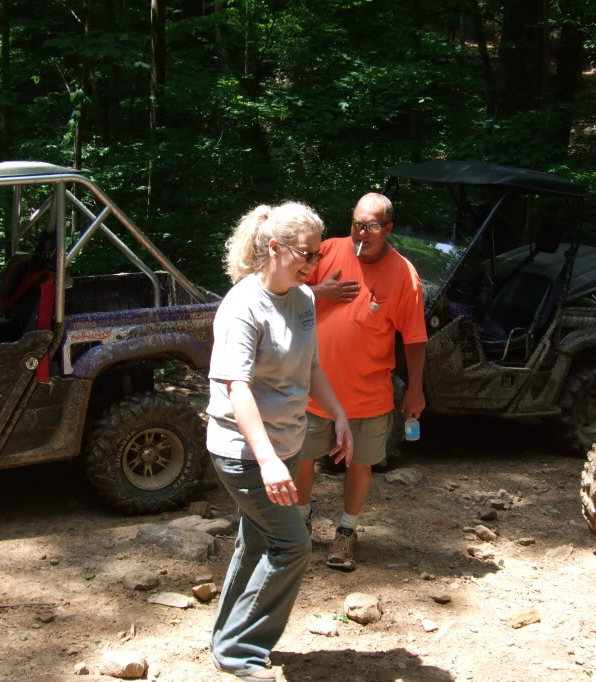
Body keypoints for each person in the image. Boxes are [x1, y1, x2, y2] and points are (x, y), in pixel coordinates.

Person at [206, 202, 354, 680]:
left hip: (284, 445)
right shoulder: (242, 306)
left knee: (257, 542)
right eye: (305, 255)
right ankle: (240, 651)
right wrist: (267, 461)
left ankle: (227, 638)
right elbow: (237, 387)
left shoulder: (304, 298)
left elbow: (311, 368)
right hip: (245, 452)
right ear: (273, 247)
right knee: (292, 545)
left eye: (317, 256)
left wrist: (340, 416)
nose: (312, 266)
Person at [294, 192, 427, 571]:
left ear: (388, 229)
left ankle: (346, 533)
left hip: (368, 394)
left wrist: (416, 388)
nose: (360, 232)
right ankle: (301, 521)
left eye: (370, 226)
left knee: (360, 464)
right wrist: (320, 292)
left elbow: (414, 338)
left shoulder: (404, 275)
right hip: (315, 389)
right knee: (304, 458)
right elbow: (282, 293)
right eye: (356, 223)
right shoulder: (327, 252)